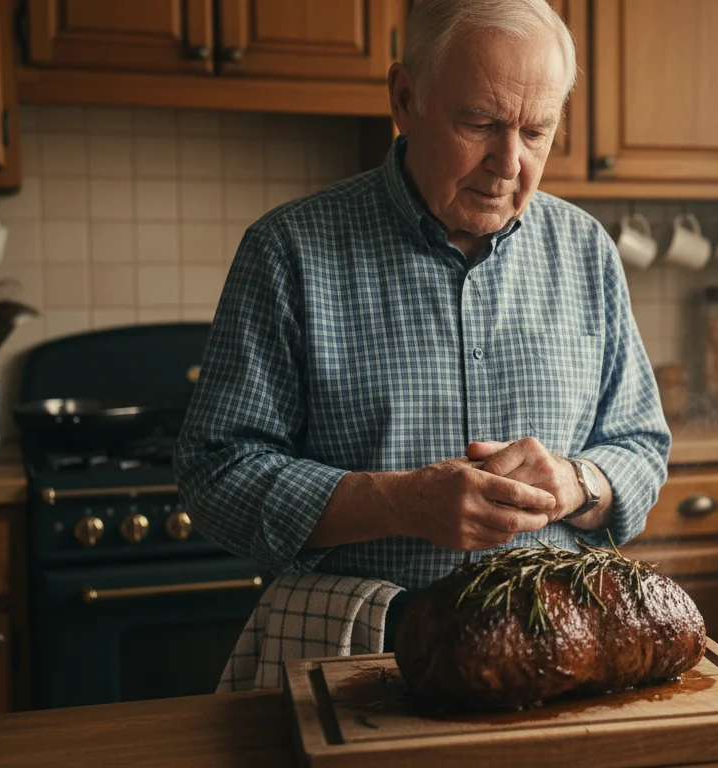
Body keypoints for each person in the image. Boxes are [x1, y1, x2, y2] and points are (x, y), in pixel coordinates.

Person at [173, 0, 670, 596]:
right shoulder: (288, 252)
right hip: (363, 659)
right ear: (405, 99)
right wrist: (401, 504)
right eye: (480, 123)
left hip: (552, 653)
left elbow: (641, 446)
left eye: (536, 132)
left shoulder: (587, 250)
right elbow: (215, 477)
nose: (509, 163)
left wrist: (578, 482)